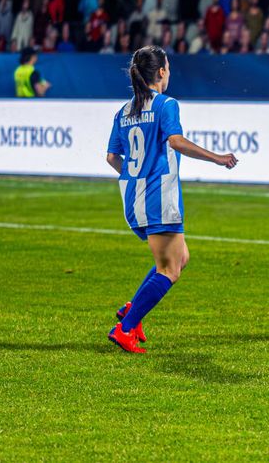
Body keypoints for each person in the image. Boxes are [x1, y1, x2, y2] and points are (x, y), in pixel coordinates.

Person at [105, 46, 239, 353]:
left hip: (133, 199)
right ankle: (125, 328)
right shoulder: (166, 104)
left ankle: (133, 310)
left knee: (179, 258)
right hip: (159, 196)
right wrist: (217, 158)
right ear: (161, 72)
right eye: (168, 67)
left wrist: (137, 176)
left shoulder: (123, 112)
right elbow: (175, 141)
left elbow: (113, 157)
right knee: (170, 269)